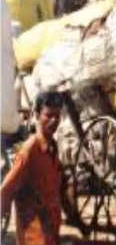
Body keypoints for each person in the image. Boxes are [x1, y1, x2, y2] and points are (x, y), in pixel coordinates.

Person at [1, 91, 63, 245]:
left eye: (57, 116)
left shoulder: (53, 148)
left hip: (51, 236)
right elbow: (6, 191)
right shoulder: (29, 151)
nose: (53, 121)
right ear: (36, 115)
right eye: (48, 115)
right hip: (33, 238)